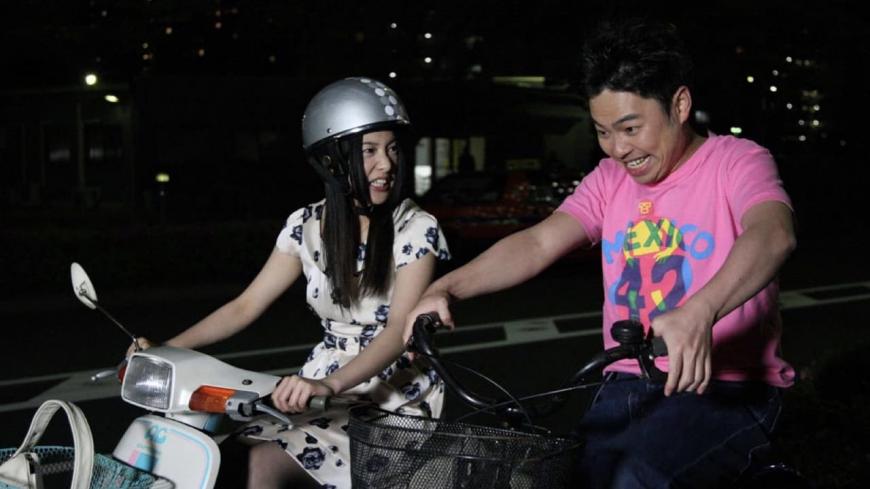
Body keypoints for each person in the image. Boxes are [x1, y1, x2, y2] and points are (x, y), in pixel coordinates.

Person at [403, 18, 796, 489]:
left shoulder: (737, 161)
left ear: (679, 105)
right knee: (553, 475)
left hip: (726, 387)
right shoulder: (609, 180)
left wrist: (701, 310)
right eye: (603, 132)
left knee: (635, 478)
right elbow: (538, 242)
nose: (618, 149)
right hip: (622, 386)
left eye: (631, 128)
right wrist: (446, 288)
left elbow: (773, 233)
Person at [132, 77, 450, 489]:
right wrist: (166, 348)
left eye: (392, 148)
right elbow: (244, 306)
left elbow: (397, 331)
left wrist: (329, 384)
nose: (386, 164)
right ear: (332, 160)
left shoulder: (415, 228)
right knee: (224, 457)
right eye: (369, 150)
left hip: (390, 395)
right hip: (321, 385)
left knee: (261, 465)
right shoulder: (305, 226)